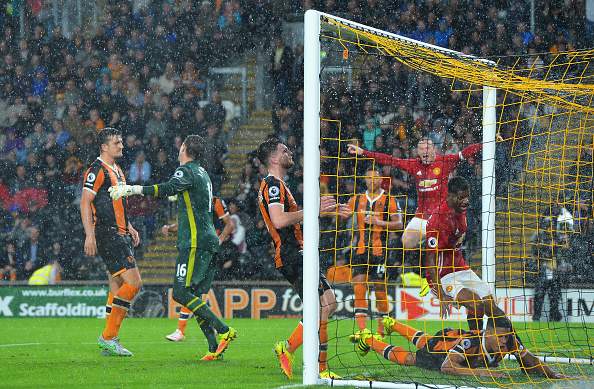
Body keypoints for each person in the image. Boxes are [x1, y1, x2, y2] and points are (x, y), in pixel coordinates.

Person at [108, 135, 237, 361]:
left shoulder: (185, 171)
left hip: (195, 243)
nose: (178, 150)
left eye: (181, 147)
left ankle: (224, 330)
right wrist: (177, 227)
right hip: (208, 241)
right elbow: (199, 212)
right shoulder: (203, 173)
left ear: (185, 149)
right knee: (195, 296)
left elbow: (168, 188)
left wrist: (132, 189)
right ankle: (213, 348)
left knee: (180, 293)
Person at [348, 138, 482, 295]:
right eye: (421, 149)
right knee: (407, 242)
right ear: (418, 152)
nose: (425, 151)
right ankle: (426, 265)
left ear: (434, 150)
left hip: (440, 217)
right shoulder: (413, 165)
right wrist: (364, 152)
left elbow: (465, 153)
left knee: (440, 246)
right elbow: (390, 160)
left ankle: (436, 278)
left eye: (428, 148)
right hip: (422, 216)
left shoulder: (445, 161)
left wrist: (486, 143)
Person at [257, 137, 342, 380]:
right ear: (274, 158)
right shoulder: (273, 185)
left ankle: (290, 348)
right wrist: (314, 210)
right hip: (292, 255)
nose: (290, 152)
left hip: (298, 253)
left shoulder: (280, 184)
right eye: (285, 150)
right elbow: (279, 220)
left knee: (328, 303)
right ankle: (319, 368)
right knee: (322, 305)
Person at [80, 127, 142, 357]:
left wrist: (130, 226)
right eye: (117, 143)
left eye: (121, 141)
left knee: (116, 286)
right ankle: (108, 336)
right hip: (109, 234)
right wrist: (89, 234)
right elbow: (86, 203)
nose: (122, 145)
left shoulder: (117, 169)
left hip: (121, 232)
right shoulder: (97, 170)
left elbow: (117, 204)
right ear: (104, 147)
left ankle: (110, 340)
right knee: (134, 284)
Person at [350, 317, 567, 379]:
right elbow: (447, 368)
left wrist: (553, 374)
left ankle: (392, 324)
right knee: (413, 359)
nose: (503, 342)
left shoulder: (508, 340)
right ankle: (370, 340)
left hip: (450, 338)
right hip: (445, 351)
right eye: (500, 337)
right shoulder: (471, 344)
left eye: (505, 338)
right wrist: (481, 372)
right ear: (488, 332)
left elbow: (530, 359)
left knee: (426, 340)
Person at [424, 176, 509, 332]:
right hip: (442, 275)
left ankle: (517, 348)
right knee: (476, 305)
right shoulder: (437, 220)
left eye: (467, 196)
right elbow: (430, 259)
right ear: (449, 196)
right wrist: (440, 293)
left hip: (461, 268)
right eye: (461, 197)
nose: (466, 201)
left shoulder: (461, 212)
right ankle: (476, 350)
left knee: (493, 309)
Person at [165, 195, 235, 342]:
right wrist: (169, 228)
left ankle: (185, 330)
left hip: (205, 250)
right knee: (195, 292)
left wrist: (219, 240)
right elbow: (183, 225)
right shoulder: (192, 203)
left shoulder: (215, 201)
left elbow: (230, 224)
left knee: (189, 290)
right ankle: (212, 333)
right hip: (198, 248)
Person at [341, 167, 402, 335]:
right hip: (360, 250)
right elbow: (342, 215)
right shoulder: (357, 199)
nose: (371, 181)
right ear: (365, 179)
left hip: (380, 252)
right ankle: (362, 332)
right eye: (368, 177)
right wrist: (337, 209)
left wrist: (379, 222)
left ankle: (382, 331)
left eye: (375, 178)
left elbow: (399, 224)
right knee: (359, 287)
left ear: (381, 179)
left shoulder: (390, 199)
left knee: (380, 292)